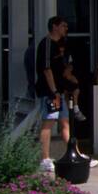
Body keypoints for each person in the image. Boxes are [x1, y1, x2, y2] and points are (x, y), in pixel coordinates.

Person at [35, 16, 73, 173]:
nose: (66, 28)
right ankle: (44, 159)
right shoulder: (47, 44)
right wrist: (54, 91)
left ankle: (74, 153)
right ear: (55, 27)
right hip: (50, 92)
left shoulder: (60, 45)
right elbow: (46, 69)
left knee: (65, 122)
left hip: (59, 91)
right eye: (63, 25)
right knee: (49, 122)